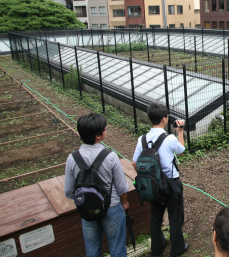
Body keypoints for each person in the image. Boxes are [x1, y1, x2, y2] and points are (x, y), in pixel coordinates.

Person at [64, 114, 129, 257]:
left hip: (87, 210)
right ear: (98, 136)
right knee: (117, 247)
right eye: (105, 128)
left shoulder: (72, 158)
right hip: (111, 208)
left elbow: (69, 191)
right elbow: (122, 187)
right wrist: (124, 202)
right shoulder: (110, 156)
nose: (106, 130)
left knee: (92, 249)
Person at [132, 103, 189, 257]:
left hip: (152, 185)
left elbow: (135, 162)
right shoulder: (169, 138)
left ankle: (157, 247)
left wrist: (150, 177)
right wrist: (180, 131)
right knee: (175, 216)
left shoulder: (142, 139)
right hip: (171, 184)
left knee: (155, 217)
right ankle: (177, 248)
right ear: (164, 119)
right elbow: (182, 150)